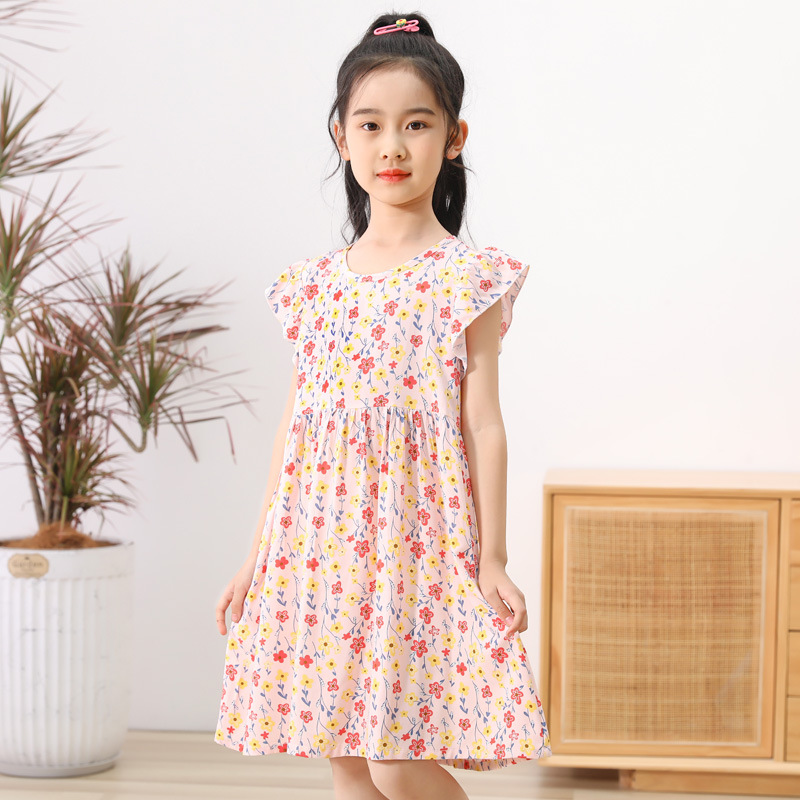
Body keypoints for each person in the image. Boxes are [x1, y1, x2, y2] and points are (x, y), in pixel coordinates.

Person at [213, 11, 551, 800]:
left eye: (416, 124)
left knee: (396, 756)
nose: (391, 146)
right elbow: (297, 429)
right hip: (321, 547)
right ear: (342, 137)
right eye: (370, 125)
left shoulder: (467, 277)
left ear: (453, 138)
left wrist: (493, 557)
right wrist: (258, 553)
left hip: (418, 545)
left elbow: (484, 423)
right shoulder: (312, 286)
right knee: (343, 750)